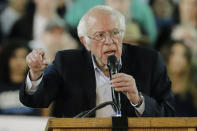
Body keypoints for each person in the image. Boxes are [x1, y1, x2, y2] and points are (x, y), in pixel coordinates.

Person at [20, 5, 175, 117]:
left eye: (115, 33)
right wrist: (35, 74)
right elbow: (36, 101)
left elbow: (168, 114)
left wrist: (138, 99)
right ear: (84, 41)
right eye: (100, 35)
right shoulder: (67, 63)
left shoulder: (150, 61)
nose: (109, 41)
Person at [0, 41, 40, 115]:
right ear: (6, 58)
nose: (19, 62)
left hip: (33, 126)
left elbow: (45, 117)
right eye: (14, 57)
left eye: (24, 57)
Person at [160, 40, 197, 116]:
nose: (178, 60)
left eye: (183, 55)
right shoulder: (156, 88)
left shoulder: (194, 92)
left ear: (187, 61)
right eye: (173, 54)